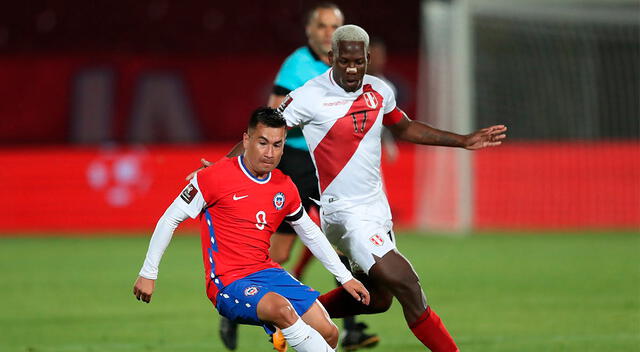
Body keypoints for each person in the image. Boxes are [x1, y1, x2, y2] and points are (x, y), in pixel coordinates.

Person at [207, 25, 506, 351]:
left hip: (377, 210)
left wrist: (463, 141)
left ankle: (290, 314)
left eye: (358, 62)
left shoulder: (379, 89)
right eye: (345, 61)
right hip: (343, 212)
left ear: (367, 59)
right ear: (332, 58)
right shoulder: (310, 95)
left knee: (378, 299)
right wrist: (224, 170)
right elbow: (265, 132)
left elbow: (404, 128)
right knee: (408, 285)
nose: (352, 69)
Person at [133, 107, 371, 352]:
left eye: (277, 145)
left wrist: (346, 278)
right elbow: (170, 219)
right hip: (227, 282)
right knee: (282, 310)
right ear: (246, 140)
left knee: (328, 333)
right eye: (263, 143)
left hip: (267, 273)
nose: (270, 153)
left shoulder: (284, 186)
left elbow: (309, 232)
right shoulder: (213, 177)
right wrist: (148, 272)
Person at [218, 3, 380, 351]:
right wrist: (229, 163)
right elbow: (273, 117)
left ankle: (351, 326)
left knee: (345, 239)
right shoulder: (297, 65)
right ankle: (238, 305)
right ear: (309, 31)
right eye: (321, 26)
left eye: (333, 26)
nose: (327, 32)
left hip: (329, 165)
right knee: (279, 251)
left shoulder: (345, 66)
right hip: (294, 161)